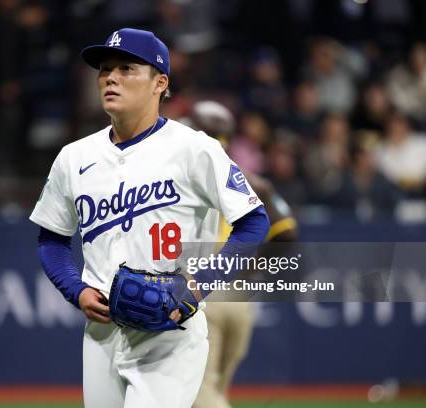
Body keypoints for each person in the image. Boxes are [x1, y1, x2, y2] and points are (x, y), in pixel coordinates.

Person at [30, 28, 269, 408]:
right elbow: (52, 239)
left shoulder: (194, 149)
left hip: (171, 330)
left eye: (126, 68)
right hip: (102, 335)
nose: (110, 77)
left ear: (160, 82)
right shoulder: (73, 158)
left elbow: (254, 222)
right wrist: (75, 290)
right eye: (105, 69)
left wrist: (200, 285)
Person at [187, 100, 298, 408]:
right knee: (216, 391)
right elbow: (287, 232)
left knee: (200, 392)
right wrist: (249, 270)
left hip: (201, 290)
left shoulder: (183, 178)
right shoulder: (253, 181)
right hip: (239, 295)